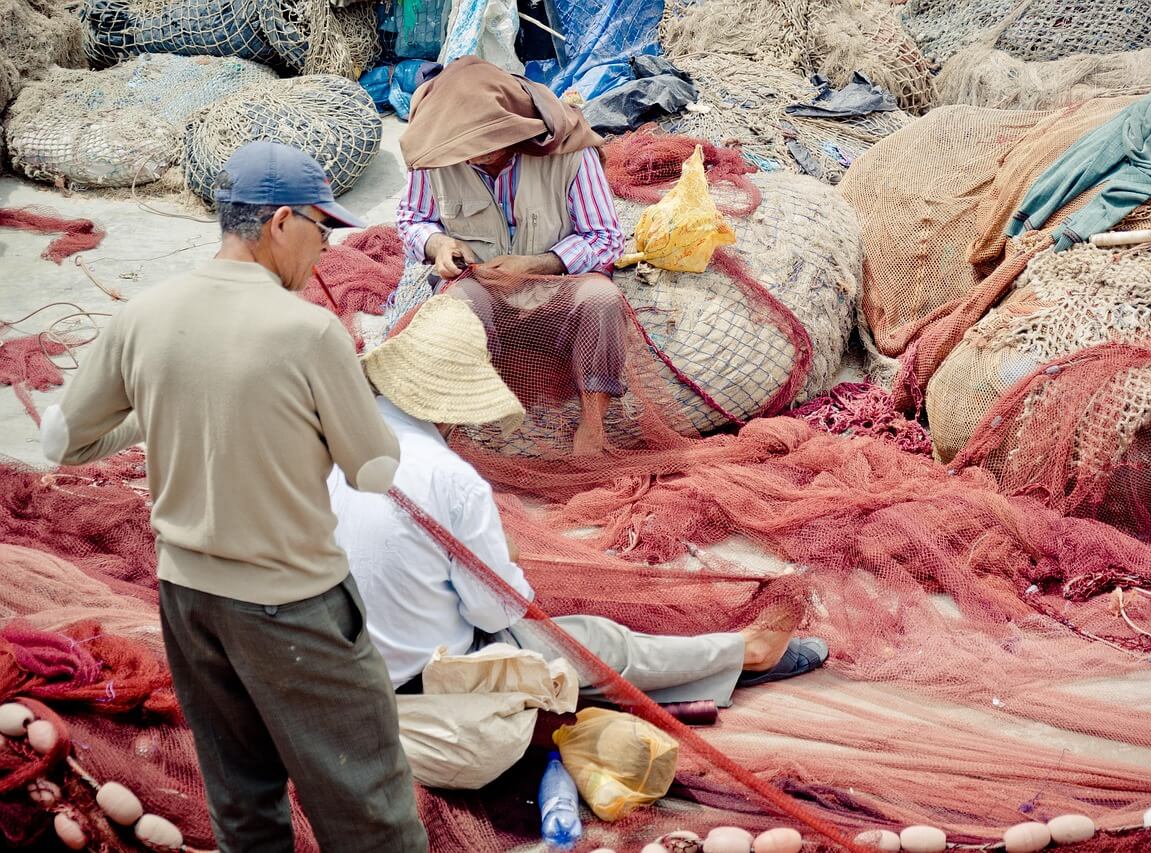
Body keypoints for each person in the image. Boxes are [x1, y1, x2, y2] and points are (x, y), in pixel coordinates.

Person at [41, 141, 429, 853]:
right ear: (281, 222)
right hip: (295, 605)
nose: (325, 249)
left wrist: (158, 404)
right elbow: (373, 470)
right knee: (367, 808)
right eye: (322, 228)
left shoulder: (145, 315)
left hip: (189, 603)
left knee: (243, 803)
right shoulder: (311, 331)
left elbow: (60, 440)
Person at [329, 294, 829, 708]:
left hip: (341, 670)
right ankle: (746, 653)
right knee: (593, 643)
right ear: (454, 408)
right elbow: (496, 612)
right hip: (429, 679)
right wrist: (511, 558)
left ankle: (726, 659)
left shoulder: (326, 450)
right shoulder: (451, 479)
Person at [395, 56, 627, 456]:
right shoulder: (436, 153)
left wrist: (541, 263)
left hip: (558, 284)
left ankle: (593, 425)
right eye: (460, 150)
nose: (468, 158)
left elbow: (606, 237)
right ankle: (446, 427)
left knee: (602, 300)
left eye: (479, 147)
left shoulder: (570, 152)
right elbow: (412, 218)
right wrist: (438, 245)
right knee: (455, 311)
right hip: (481, 286)